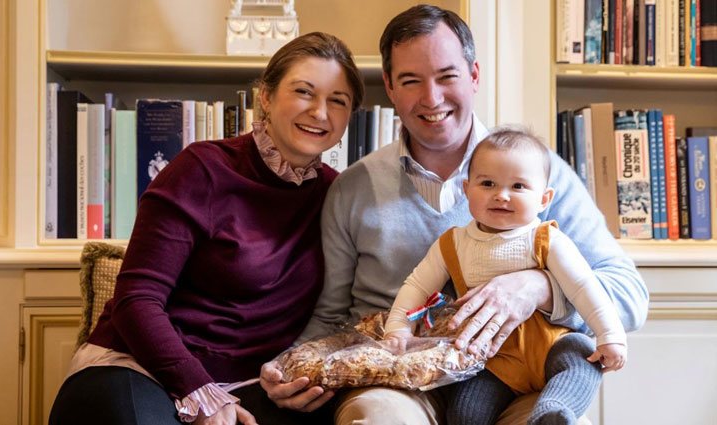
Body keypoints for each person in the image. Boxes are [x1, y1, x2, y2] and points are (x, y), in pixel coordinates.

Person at [261, 4, 648, 425]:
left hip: (516, 381)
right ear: (389, 86)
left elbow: (629, 293)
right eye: (411, 81)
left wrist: (540, 288)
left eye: (447, 76)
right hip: (394, 383)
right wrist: (287, 369)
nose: (432, 99)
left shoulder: (536, 176)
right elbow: (330, 315)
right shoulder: (352, 189)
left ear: (474, 75)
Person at [48, 31, 365, 425]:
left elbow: (347, 312)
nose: (320, 112)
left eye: (338, 101)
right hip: (141, 367)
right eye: (304, 91)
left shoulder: (340, 195)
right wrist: (199, 391)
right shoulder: (203, 168)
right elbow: (137, 299)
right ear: (264, 97)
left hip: (254, 384)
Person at [384, 126, 627, 425]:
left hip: (552, 347)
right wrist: (398, 326)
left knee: (581, 359)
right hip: (490, 360)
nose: (501, 195)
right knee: (465, 414)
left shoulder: (547, 240)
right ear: (466, 189)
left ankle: (552, 411)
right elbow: (417, 286)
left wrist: (610, 335)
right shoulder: (452, 244)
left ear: (543, 199)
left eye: (518, 186)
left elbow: (584, 288)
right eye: (487, 183)